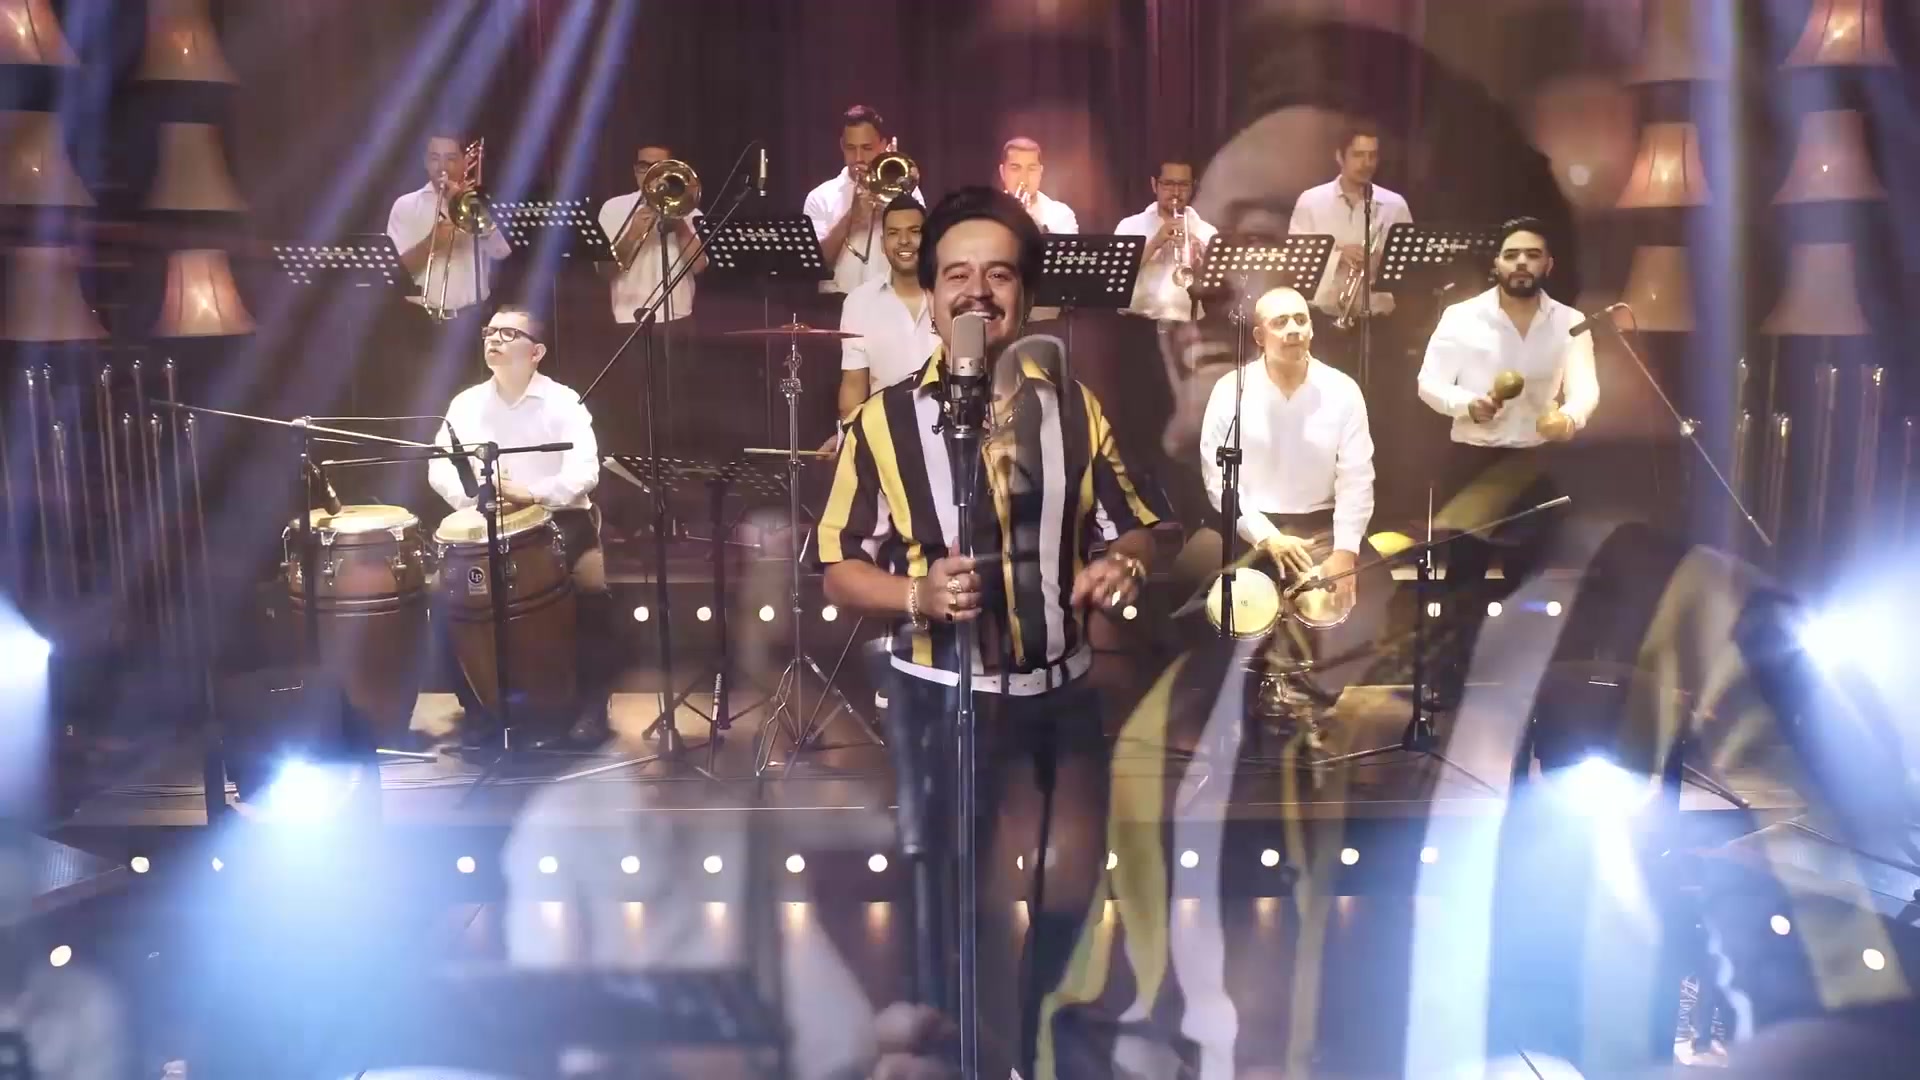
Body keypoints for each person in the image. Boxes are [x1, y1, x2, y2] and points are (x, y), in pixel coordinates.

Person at [816, 185, 1166, 1079]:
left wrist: (1123, 565)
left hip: (1060, 694)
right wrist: (915, 595)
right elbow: (838, 566)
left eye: (999, 275)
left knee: (1068, 894)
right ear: (932, 298)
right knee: (957, 905)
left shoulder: (1075, 410)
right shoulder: (883, 422)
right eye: (957, 275)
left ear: (1026, 296)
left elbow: (1133, 526)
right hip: (940, 702)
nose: (978, 292)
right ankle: (973, 1057)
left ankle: (1038, 1043)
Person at [1414, 215, 1598, 704]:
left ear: (1548, 264)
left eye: (1532, 255)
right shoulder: (1461, 317)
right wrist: (1465, 403)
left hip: (1534, 463)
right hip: (1473, 461)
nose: (1521, 263)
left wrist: (1570, 418)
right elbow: (1429, 383)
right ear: (1496, 263)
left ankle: (1525, 686)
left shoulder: (1569, 322)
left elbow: (1585, 390)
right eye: (1512, 254)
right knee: (1463, 579)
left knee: (1532, 580)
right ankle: (1449, 684)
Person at [428, 304, 615, 748]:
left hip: (558, 518)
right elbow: (439, 467)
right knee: (440, 594)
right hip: (486, 520)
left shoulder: (563, 401)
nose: (494, 338)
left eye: (509, 333)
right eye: (490, 331)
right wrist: (477, 498)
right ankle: (477, 709)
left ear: (536, 352)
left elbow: (585, 472)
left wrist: (530, 494)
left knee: (592, 587)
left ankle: (591, 707)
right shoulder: (466, 404)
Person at [1197, 286, 1379, 728]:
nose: (1294, 329)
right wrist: (1266, 537)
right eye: (1280, 322)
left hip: (1319, 523)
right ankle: (1235, 698)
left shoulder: (1342, 390)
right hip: (1248, 524)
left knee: (1373, 591)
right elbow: (1218, 479)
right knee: (1195, 581)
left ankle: (1312, 695)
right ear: (1259, 336)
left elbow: (1357, 477)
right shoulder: (1231, 389)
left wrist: (1346, 550)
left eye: (1301, 319)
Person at [1286, 119, 1411, 383]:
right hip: (1325, 319)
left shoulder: (1394, 205)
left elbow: (1407, 264)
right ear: (1339, 157)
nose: (1367, 163)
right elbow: (1296, 259)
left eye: (1372, 156)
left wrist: (1382, 259)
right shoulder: (1311, 201)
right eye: (1358, 155)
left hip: (1378, 321)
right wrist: (1338, 254)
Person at [832, 194, 937, 444]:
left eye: (914, 231)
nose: (904, 240)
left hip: (950, 433)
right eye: (893, 233)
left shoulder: (955, 294)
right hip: (885, 439)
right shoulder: (859, 302)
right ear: (883, 243)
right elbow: (854, 388)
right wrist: (848, 442)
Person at [805, 105, 926, 296]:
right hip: (838, 301)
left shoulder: (907, 191)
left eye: (867, 148)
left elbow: (924, 253)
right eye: (851, 148)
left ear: (883, 145)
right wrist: (851, 219)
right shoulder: (820, 197)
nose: (858, 158)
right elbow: (818, 265)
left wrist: (900, 200)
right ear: (841, 145)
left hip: (894, 299)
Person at [387, 132, 512, 316]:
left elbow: (501, 252)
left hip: (473, 316)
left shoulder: (481, 203)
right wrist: (431, 243)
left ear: (465, 163)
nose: (442, 167)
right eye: (435, 159)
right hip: (420, 316)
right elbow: (395, 272)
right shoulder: (405, 205)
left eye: (451, 159)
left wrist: (467, 206)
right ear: (425, 162)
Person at [597, 143, 708, 326]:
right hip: (629, 318)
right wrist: (632, 235)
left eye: (659, 167)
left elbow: (699, 266)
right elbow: (604, 271)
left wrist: (680, 226)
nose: (651, 174)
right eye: (644, 167)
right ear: (635, 171)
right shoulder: (613, 208)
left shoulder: (689, 211)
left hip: (679, 317)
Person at [1114, 156, 1217, 323]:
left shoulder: (1207, 231)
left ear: (1193, 187)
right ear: (1154, 184)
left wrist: (1200, 259)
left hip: (1186, 326)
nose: (1176, 192)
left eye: (1183, 185)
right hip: (1135, 324)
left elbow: (1215, 291)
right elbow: (1116, 276)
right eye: (1168, 184)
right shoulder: (1130, 225)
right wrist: (1155, 243)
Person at [998, 137, 1078, 235]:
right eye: (1015, 168)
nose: (1024, 178)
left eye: (1031, 169)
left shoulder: (1061, 215)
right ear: (1002, 172)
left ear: (1040, 172)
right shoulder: (988, 213)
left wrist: (1032, 224)